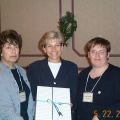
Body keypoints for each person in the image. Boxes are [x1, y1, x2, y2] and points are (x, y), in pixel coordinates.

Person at [27, 31, 78, 119]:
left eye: (57, 45)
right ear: (44, 48)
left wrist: (72, 103)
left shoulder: (72, 67)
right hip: (43, 115)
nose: (54, 50)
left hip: (64, 115)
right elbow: (31, 94)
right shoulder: (34, 67)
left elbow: (75, 93)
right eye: (49, 46)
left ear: (62, 47)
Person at [77, 37, 120, 120]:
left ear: (108, 55)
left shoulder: (117, 74)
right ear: (89, 55)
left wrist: (100, 116)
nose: (97, 55)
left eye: (101, 52)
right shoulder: (83, 74)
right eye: (94, 52)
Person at [0, 30, 34, 120]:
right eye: (8, 47)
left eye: (16, 47)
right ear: (1, 52)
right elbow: (5, 111)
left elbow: (30, 101)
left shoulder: (21, 71)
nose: (13, 51)